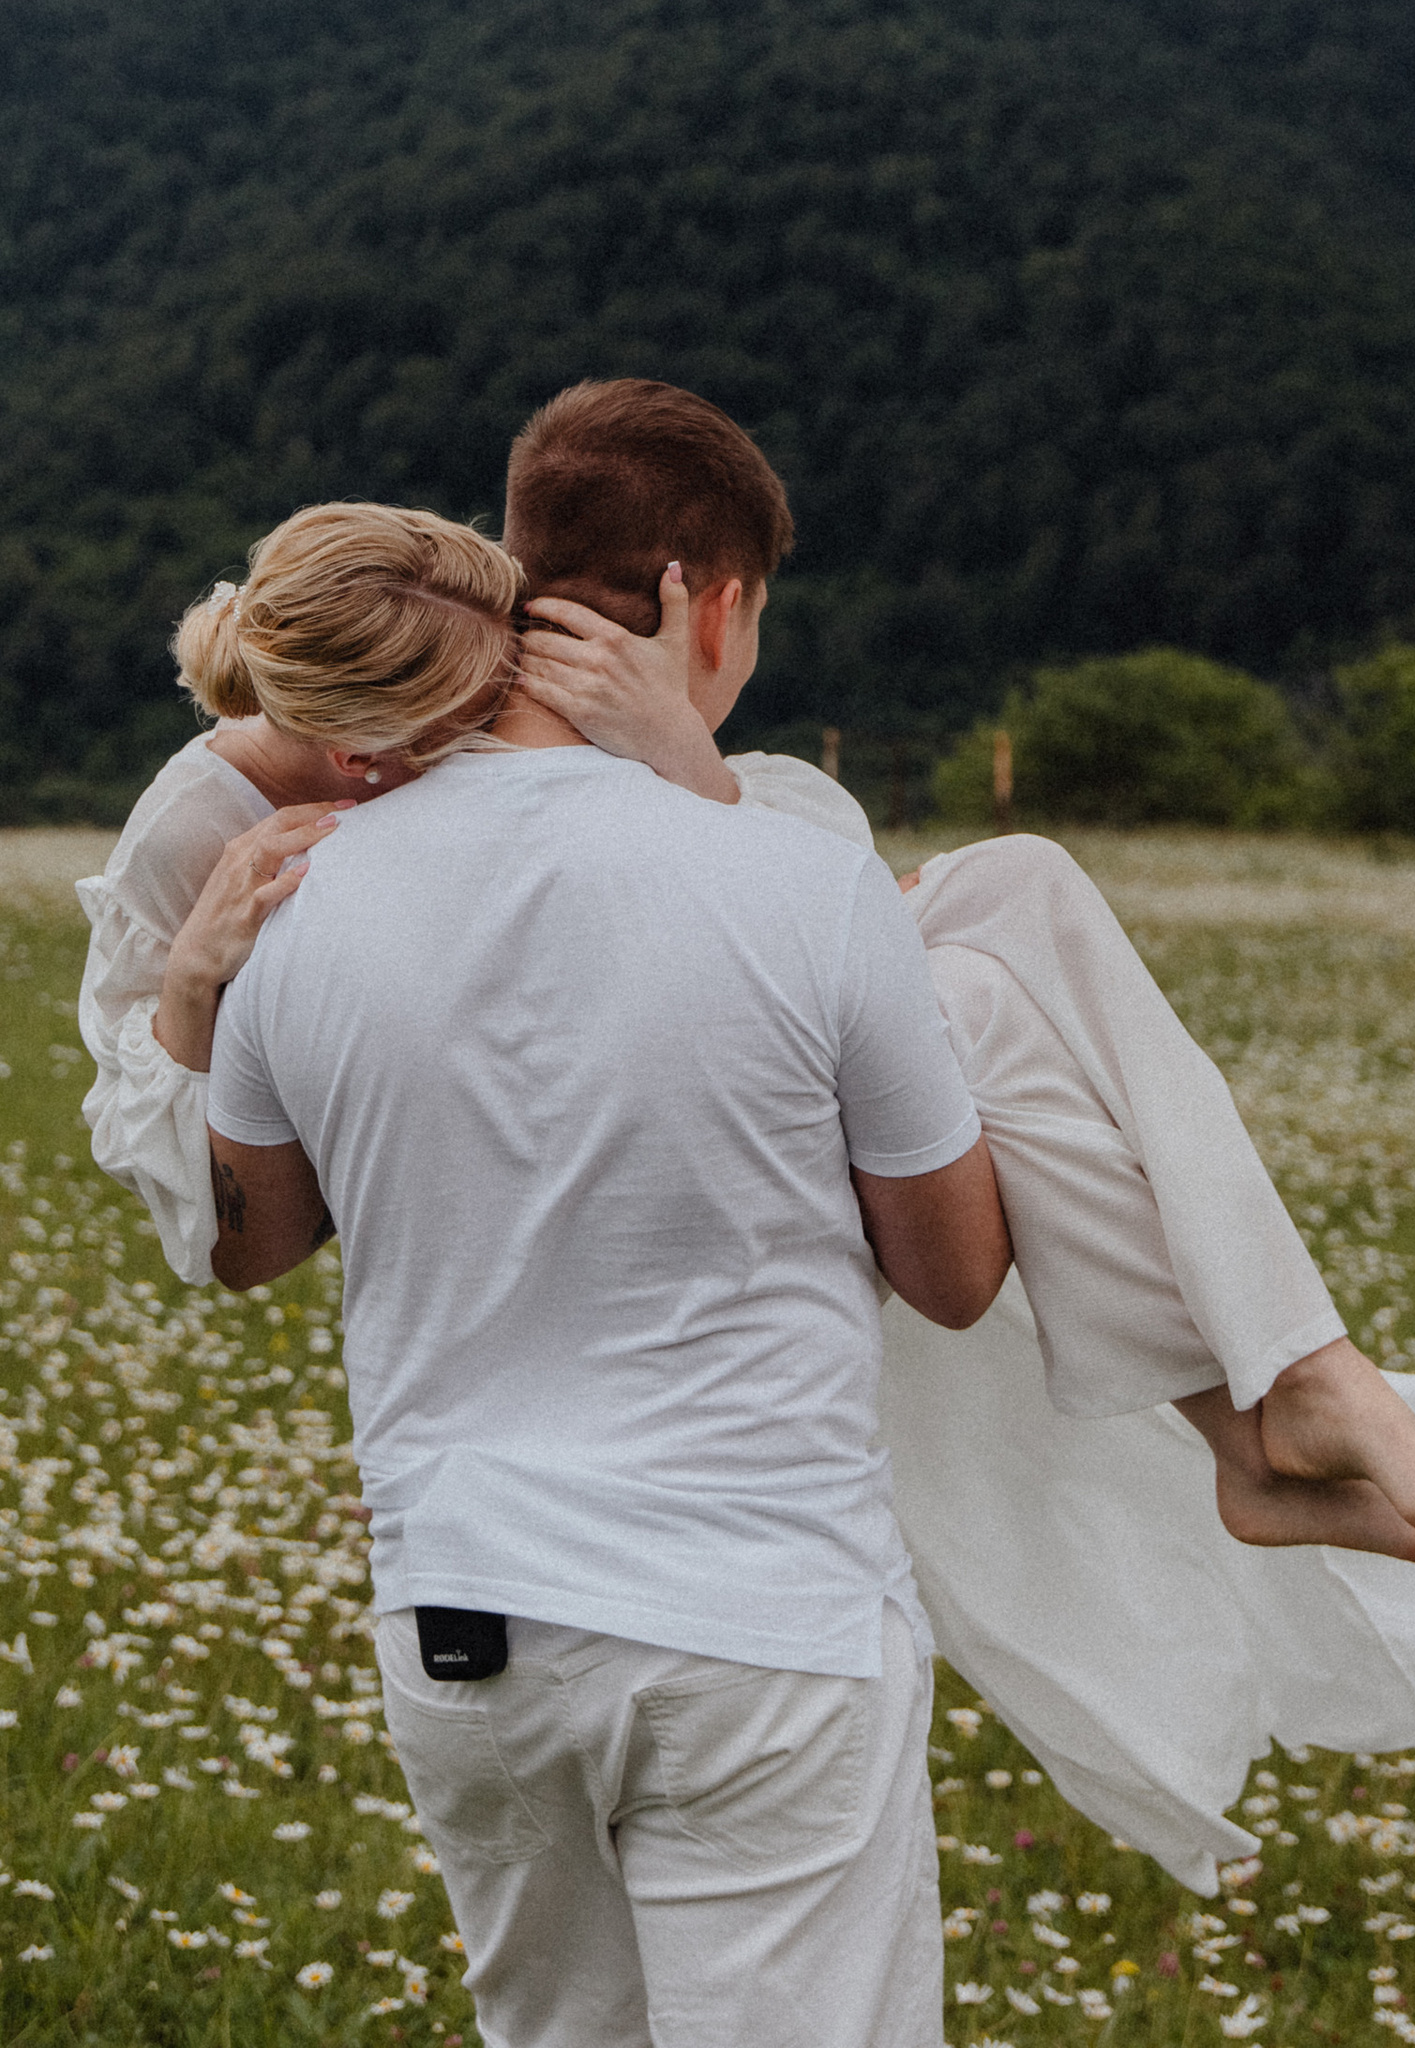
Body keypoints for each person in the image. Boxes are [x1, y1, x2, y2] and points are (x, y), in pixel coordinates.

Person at [75, 385, 1415, 1899]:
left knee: (1015, 902)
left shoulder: (695, 791)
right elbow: (224, 1203)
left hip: (522, 1520)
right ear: (715, 605)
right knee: (1004, 938)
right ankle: (1279, 1406)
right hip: (702, 1503)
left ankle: (1285, 1400)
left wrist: (685, 772)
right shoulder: (245, 813)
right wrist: (196, 1000)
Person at [194, 469, 1009, 2048]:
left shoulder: (293, 904)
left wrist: (189, 999)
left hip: (467, 1628)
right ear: (709, 605)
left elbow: (251, 1246)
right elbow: (955, 1276)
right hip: (761, 1621)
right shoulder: (803, 881)